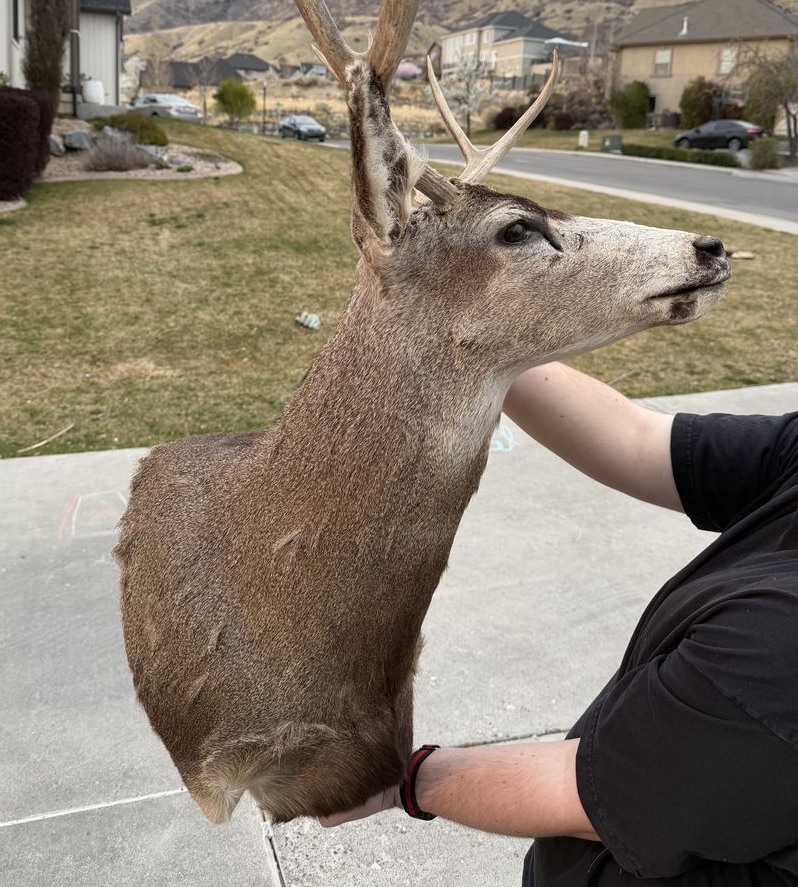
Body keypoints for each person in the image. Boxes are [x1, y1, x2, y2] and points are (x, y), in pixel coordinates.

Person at [320, 361, 798, 885]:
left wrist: (402, 780)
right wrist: (479, 342)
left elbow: (582, 791)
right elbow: (637, 440)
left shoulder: (780, 645)